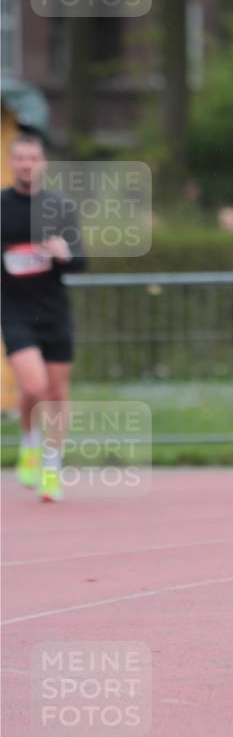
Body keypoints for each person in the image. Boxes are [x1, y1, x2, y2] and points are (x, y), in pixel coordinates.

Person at [1, 135, 86, 502]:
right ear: (11, 162)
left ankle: (52, 467)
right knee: (33, 387)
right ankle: (29, 441)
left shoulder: (59, 207)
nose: (26, 164)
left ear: (43, 163)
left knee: (56, 393)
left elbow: (81, 261)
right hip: (14, 310)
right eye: (20, 158)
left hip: (53, 311)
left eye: (33, 158)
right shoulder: (2, 205)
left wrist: (63, 253)